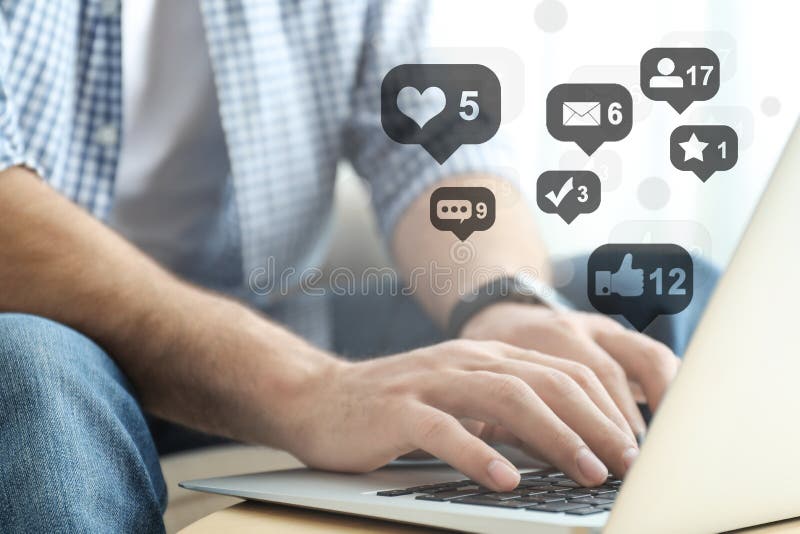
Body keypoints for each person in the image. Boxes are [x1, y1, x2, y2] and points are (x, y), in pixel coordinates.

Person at [0, 1, 715, 532]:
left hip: (282, 320)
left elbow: (439, 154)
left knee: (662, 296)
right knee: (25, 369)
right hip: (65, 347)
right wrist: (311, 388)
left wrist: (506, 306)